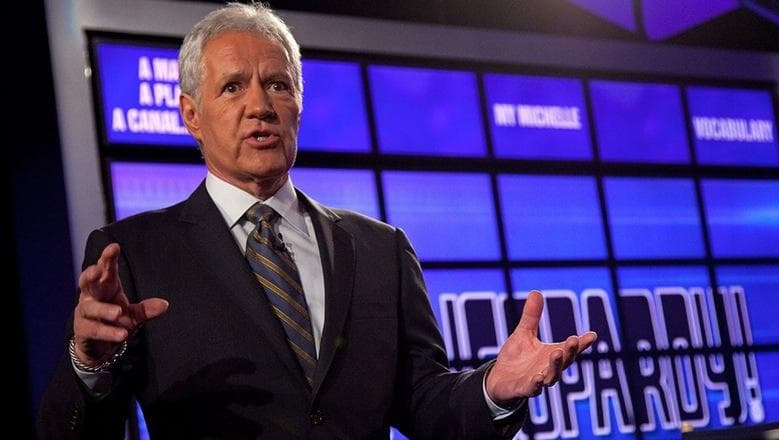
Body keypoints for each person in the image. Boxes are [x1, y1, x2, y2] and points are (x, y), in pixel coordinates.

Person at [38, 3, 597, 438]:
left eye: (277, 84)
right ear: (191, 114)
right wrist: (89, 364)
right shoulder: (135, 253)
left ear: (299, 103)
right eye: (232, 87)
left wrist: (494, 389)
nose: (260, 106)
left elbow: (425, 404)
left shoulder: (380, 249)